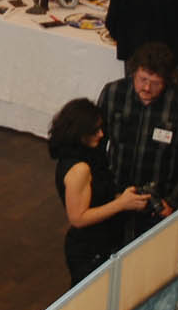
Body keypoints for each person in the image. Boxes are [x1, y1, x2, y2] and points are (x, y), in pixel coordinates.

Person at [95, 42, 178, 224]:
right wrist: (103, 188)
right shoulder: (113, 93)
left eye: (155, 83)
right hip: (116, 195)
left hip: (160, 202)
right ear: (133, 73)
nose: (146, 88)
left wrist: (173, 201)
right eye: (142, 79)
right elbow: (96, 144)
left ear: (167, 81)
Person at [48, 98, 152, 287]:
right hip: (89, 250)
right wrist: (121, 204)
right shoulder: (79, 169)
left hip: (104, 240)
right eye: (95, 131)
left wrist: (124, 198)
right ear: (80, 133)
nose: (101, 134)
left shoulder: (88, 155)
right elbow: (78, 218)